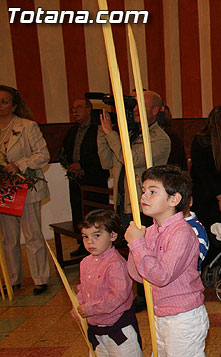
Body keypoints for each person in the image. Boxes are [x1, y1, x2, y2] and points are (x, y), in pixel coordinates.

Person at [125, 165, 212, 357]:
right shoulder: (151, 230)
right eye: (143, 191)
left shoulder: (183, 233)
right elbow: (138, 275)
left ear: (174, 200)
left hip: (184, 317)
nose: (144, 196)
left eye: (153, 191)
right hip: (162, 315)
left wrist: (138, 245)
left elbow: (161, 275)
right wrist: (136, 244)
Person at [73, 209, 148, 357]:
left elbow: (119, 296)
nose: (90, 242)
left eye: (97, 236)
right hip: (97, 327)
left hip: (119, 327)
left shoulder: (116, 264)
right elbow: (82, 288)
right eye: (86, 237)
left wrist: (91, 308)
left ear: (113, 236)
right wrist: (78, 305)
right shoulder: (85, 262)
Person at [0, 85, 50, 295]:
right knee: (8, 238)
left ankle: (40, 278)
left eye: (4, 101)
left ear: (14, 106)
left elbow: (43, 155)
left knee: (32, 236)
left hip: (26, 188)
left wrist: (20, 164)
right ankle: (13, 278)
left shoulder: (27, 126)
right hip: (4, 190)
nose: (0, 105)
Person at [97, 89, 171, 222]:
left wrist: (110, 134)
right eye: (134, 105)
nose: (135, 109)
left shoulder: (159, 138)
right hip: (123, 202)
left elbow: (131, 160)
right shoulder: (132, 136)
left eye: (140, 105)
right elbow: (107, 163)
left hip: (143, 207)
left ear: (154, 110)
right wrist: (103, 133)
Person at [60, 98, 109, 257]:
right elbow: (63, 151)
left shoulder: (98, 130)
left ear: (89, 109)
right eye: (73, 107)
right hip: (76, 178)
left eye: (79, 107)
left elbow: (99, 154)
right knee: (78, 211)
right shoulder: (73, 131)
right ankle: (83, 244)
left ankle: (102, 244)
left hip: (94, 178)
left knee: (95, 213)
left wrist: (83, 165)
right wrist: (71, 165)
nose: (75, 111)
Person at [190, 106, 221, 231]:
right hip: (213, 197)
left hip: (208, 195)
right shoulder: (207, 142)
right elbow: (205, 174)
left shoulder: (200, 140)